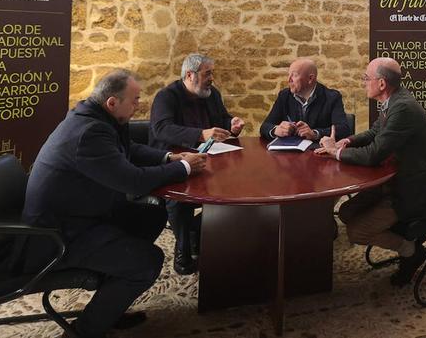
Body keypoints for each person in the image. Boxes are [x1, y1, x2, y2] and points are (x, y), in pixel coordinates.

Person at [23, 69, 206, 338]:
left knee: (151, 215)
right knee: (147, 262)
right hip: (58, 234)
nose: (138, 105)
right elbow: (132, 182)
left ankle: (112, 294)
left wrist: (169, 157)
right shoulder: (89, 132)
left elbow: (129, 149)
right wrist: (183, 168)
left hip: (84, 214)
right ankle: (84, 332)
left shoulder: (98, 117)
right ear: (112, 102)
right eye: (134, 100)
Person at [315, 57, 426, 286]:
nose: (364, 82)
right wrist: (347, 141)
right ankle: (402, 236)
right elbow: (375, 132)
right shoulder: (392, 101)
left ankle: (411, 251)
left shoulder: (402, 107)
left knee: (356, 232)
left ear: (382, 84)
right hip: (394, 180)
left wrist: (336, 153)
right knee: (346, 212)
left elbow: (374, 153)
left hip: (411, 190)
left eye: (367, 78)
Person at [149, 53, 245, 275]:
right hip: (174, 160)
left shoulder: (212, 94)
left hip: (209, 159)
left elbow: (221, 120)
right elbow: (161, 129)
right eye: (207, 73)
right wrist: (200, 134)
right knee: (179, 201)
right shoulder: (166, 96)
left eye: (211, 73)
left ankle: (198, 233)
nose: (212, 78)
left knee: (230, 188)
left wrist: (232, 124)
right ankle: (183, 248)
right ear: (190, 75)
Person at [259, 58, 351, 141]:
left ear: (310, 78)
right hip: (290, 156)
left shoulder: (332, 97)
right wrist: (275, 130)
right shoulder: (284, 95)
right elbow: (265, 126)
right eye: (289, 75)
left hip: (318, 154)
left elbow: (343, 129)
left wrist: (315, 133)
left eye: (294, 75)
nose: (289, 79)